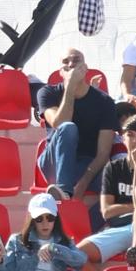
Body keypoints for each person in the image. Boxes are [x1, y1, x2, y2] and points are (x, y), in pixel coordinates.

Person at [80, 112, 136, 271]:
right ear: (122, 138)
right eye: (130, 135)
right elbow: (107, 212)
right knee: (79, 253)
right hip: (123, 228)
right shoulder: (113, 167)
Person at [36, 51, 117, 199]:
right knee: (68, 127)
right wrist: (70, 86)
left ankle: (88, 214)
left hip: (86, 165)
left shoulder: (105, 102)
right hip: (54, 161)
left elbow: (103, 153)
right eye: (66, 62)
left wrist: (83, 184)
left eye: (76, 60)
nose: (71, 64)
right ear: (60, 71)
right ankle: (64, 191)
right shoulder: (47, 92)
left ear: (85, 68)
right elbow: (59, 123)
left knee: (115, 188)